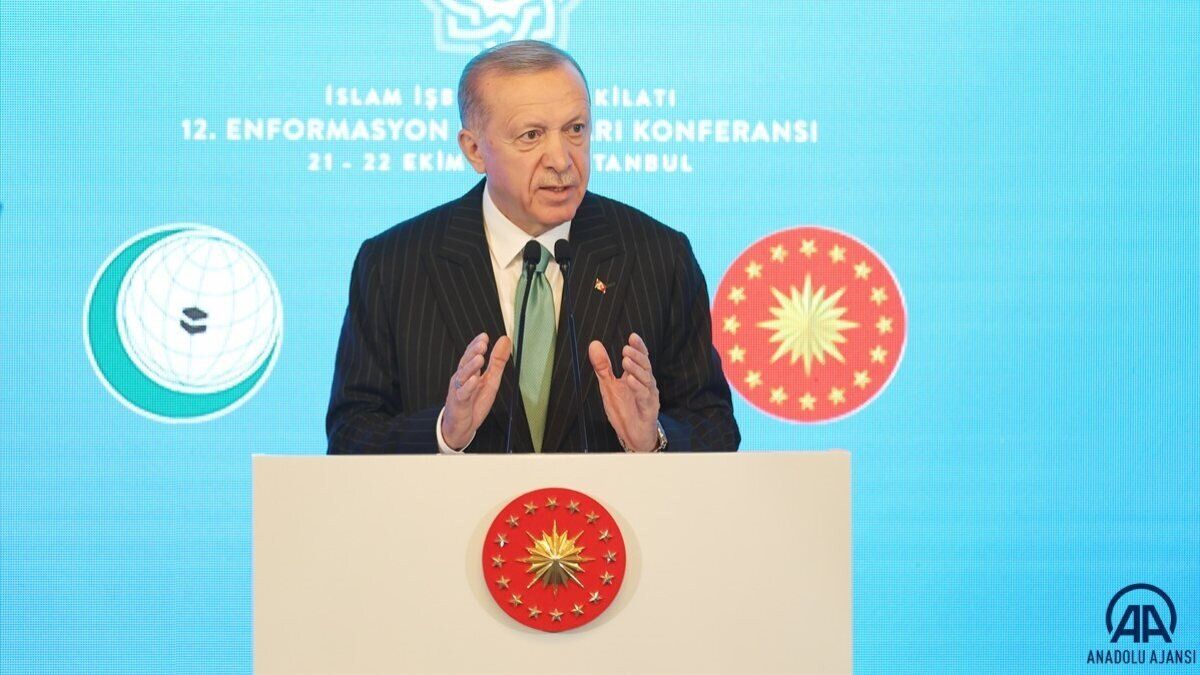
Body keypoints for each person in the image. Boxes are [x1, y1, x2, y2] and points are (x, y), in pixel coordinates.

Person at [326, 40, 739, 454]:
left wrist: (651, 438)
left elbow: (714, 426)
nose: (561, 159)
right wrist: (444, 432)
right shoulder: (393, 265)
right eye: (531, 135)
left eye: (575, 129)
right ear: (474, 150)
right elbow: (351, 434)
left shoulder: (659, 256)